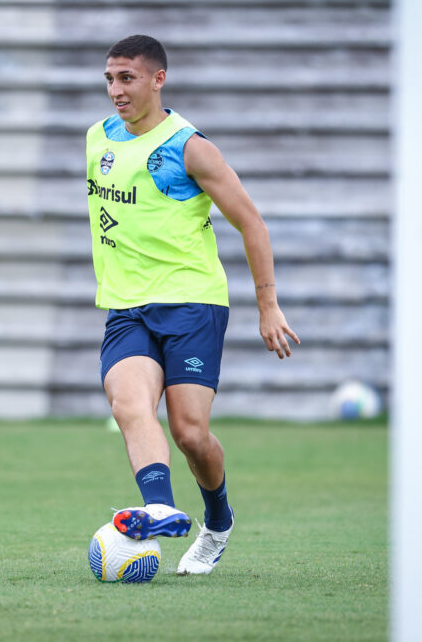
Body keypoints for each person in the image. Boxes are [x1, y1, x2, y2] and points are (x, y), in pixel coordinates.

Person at [87, 35, 299, 575]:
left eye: (127, 78)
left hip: (192, 302)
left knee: (189, 432)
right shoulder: (98, 138)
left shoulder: (189, 148)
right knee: (129, 405)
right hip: (128, 307)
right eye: (110, 78)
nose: (116, 90)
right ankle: (158, 507)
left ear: (158, 80)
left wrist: (267, 305)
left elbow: (251, 222)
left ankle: (218, 523)